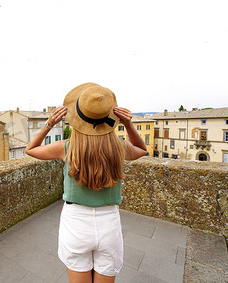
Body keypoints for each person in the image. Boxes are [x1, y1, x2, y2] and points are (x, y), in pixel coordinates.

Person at [25, 83, 147, 283]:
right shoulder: (119, 147)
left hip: (75, 223)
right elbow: (141, 150)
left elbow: (31, 149)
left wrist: (49, 123)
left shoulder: (65, 148)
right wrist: (129, 124)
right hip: (109, 223)